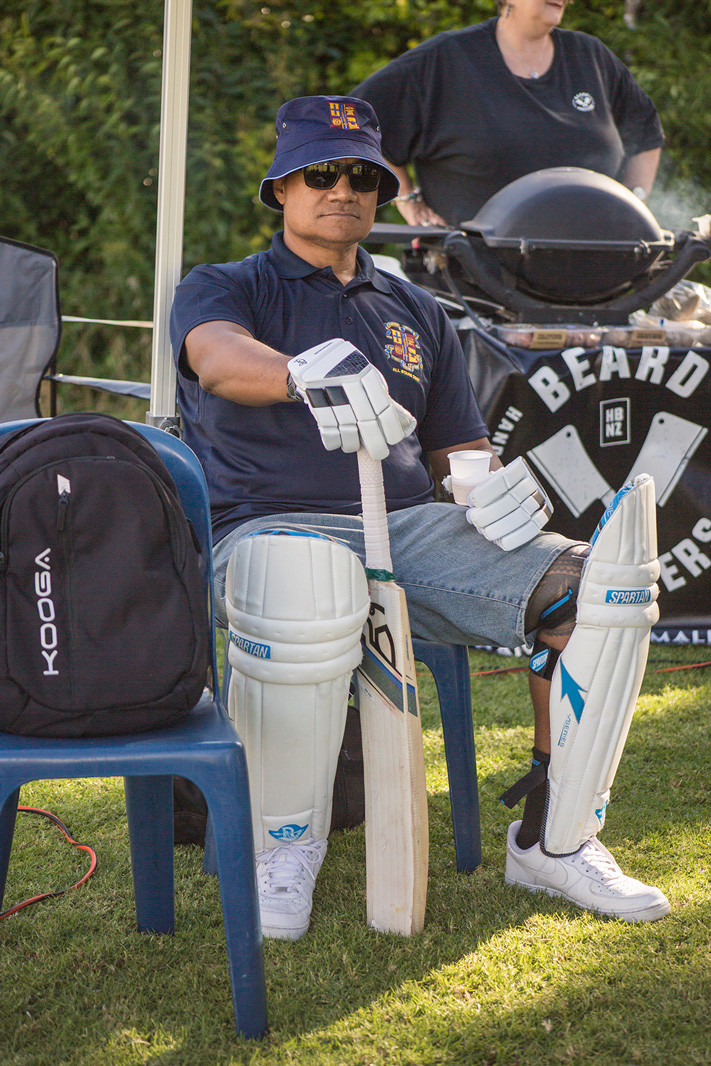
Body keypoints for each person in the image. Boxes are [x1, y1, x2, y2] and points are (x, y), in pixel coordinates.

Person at [169, 95, 670, 940]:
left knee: (598, 590)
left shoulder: (417, 312)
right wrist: (301, 374)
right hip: (264, 526)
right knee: (306, 582)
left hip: (408, 531)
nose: (343, 189)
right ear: (281, 188)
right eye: (320, 173)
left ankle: (553, 837)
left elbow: (456, 453)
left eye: (362, 175)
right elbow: (217, 360)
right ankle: (281, 844)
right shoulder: (226, 286)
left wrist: (494, 492)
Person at [352, 0, 664, 226]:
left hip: (591, 278)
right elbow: (356, 123)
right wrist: (408, 200)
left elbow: (646, 130)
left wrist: (632, 207)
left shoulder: (590, 56)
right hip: (472, 280)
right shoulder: (446, 59)